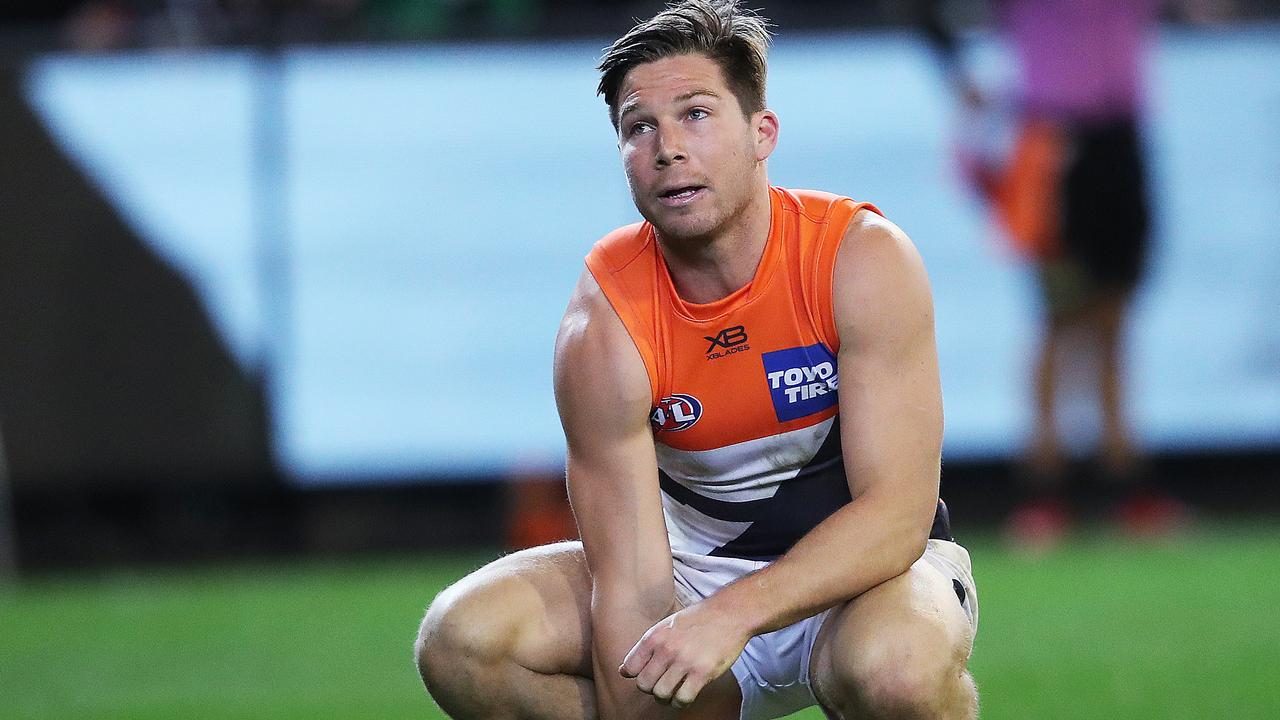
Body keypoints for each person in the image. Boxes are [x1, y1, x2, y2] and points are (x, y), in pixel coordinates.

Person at [416, 2, 978, 718]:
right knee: (463, 639)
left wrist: (734, 613)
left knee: (894, 670)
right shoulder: (604, 323)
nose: (667, 148)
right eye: (638, 127)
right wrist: (691, 648)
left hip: (866, 583)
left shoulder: (859, 258)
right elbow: (627, 587)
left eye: (697, 115)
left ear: (761, 132)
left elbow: (897, 519)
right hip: (688, 586)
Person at [921, 0, 1188, 545]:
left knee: (1113, 321)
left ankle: (1128, 487)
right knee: (1058, 320)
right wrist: (958, 76)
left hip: (1121, 143)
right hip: (1053, 151)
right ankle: (1044, 493)